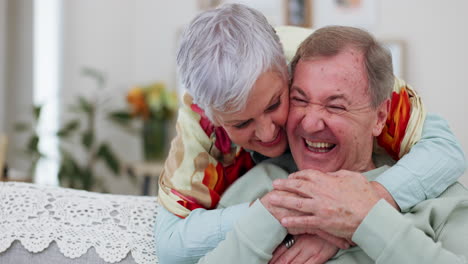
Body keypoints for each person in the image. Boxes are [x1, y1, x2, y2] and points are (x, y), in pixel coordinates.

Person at [155, 4, 466, 263]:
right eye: (301, 100)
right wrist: (285, 214)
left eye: (276, 103)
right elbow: (171, 245)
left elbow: (446, 150)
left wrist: (357, 217)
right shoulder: (251, 186)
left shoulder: (330, 63)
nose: (266, 133)